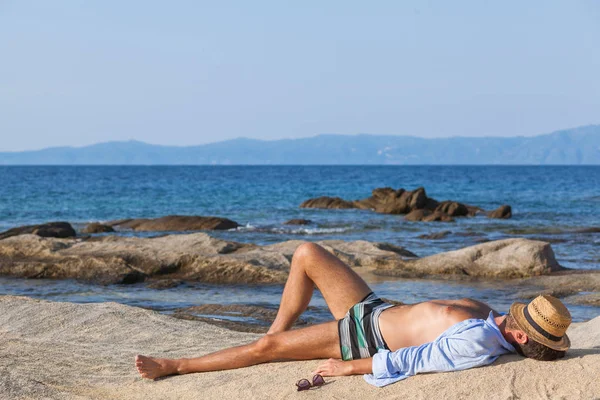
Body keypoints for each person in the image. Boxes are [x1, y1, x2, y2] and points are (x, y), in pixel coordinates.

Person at [135, 242, 572, 387]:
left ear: (519, 337)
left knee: (265, 349)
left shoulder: (479, 343)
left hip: (362, 338)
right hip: (373, 309)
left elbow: (417, 360)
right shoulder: (490, 317)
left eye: (524, 322)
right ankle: (276, 336)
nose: (515, 317)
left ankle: (175, 366)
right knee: (306, 253)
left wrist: (351, 367)